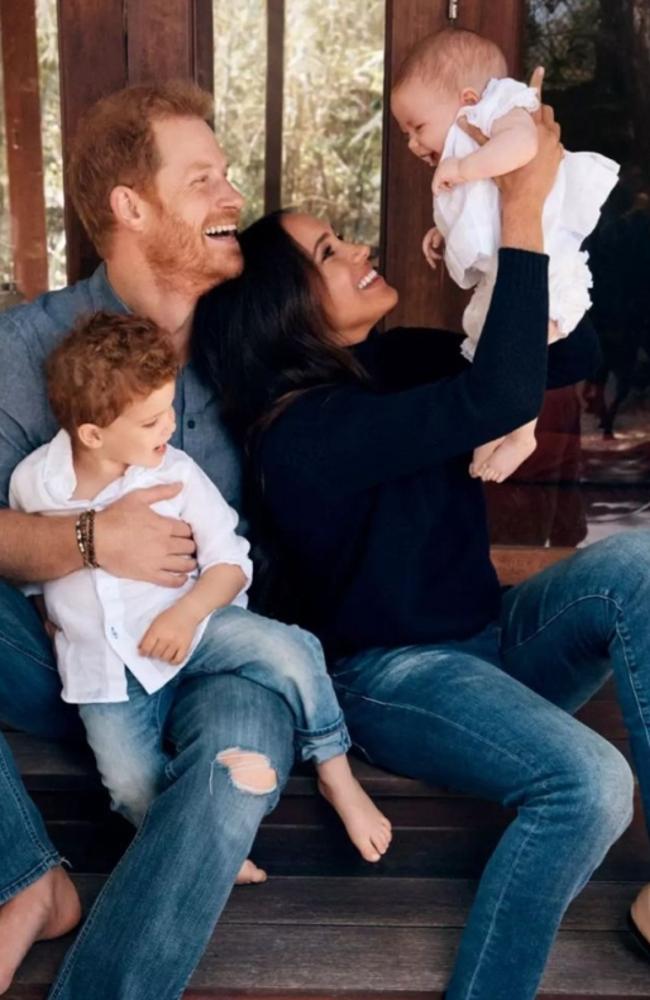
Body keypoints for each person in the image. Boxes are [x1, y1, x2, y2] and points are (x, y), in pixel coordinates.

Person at [193, 93, 650, 1000]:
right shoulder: (302, 434)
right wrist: (516, 205)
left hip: (491, 643)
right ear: (286, 309)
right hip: (397, 680)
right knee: (590, 786)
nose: (360, 248)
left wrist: (500, 260)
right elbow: (491, 403)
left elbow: (569, 353)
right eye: (330, 251)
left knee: (638, 569)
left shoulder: (392, 361)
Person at [0, 80, 327, 1000]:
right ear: (130, 206)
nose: (233, 199)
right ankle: (27, 878)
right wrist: (94, 539)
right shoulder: (25, 350)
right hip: (75, 663)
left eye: (227, 176)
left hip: (222, 653)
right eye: (203, 181)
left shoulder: (251, 338)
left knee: (233, 773)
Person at [9, 310, 391, 855]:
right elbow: (33, 567)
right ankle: (196, 848)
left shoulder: (176, 473)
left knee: (293, 651)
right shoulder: (34, 484)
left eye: (169, 409)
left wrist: (185, 616)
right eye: (150, 421)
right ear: (92, 433)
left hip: (198, 623)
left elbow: (231, 563)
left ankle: (334, 770)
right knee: (129, 784)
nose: (169, 427)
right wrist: (48, 613)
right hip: (106, 670)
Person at [391, 28, 619, 483]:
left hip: (546, 261)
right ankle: (499, 425)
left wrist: (463, 167)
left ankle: (521, 432)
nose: (414, 145)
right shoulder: (470, 145)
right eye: (405, 135)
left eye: (418, 128)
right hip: (511, 265)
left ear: (469, 98)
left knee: (520, 344)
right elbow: (484, 209)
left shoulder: (503, 109)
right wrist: (443, 231)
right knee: (490, 342)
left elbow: (524, 148)